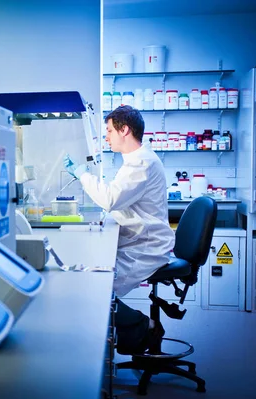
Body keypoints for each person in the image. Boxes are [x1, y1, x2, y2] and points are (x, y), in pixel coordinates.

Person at [63, 105, 175, 354]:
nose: (107, 137)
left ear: (124, 130)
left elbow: (111, 198)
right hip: (139, 240)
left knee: (97, 287)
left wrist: (82, 175)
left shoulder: (141, 163)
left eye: (110, 131)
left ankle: (145, 326)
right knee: (92, 277)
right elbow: (120, 201)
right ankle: (133, 331)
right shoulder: (134, 161)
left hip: (148, 247)